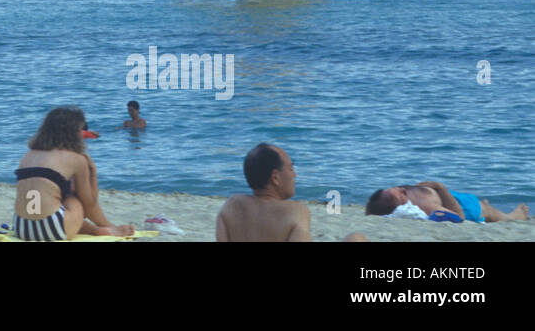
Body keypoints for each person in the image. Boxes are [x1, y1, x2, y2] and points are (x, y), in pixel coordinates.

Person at [12, 106, 134, 241]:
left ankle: (94, 231)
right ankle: (104, 229)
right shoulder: (76, 159)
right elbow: (89, 205)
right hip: (52, 229)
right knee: (74, 199)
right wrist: (92, 173)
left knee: (56, 198)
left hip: (21, 227)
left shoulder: (28, 155)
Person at [216, 144, 366, 241]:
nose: (295, 175)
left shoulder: (230, 206)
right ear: (275, 177)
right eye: (291, 169)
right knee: (356, 238)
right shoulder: (295, 211)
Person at [364, 182, 529, 223]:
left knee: (482, 205)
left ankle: (484, 206)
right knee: (486, 209)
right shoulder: (425, 207)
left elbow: (370, 210)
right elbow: (460, 217)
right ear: (402, 205)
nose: (399, 189)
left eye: (395, 188)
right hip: (464, 207)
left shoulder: (402, 195)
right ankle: (515, 216)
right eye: (400, 194)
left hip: (452, 197)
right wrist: (439, 187)